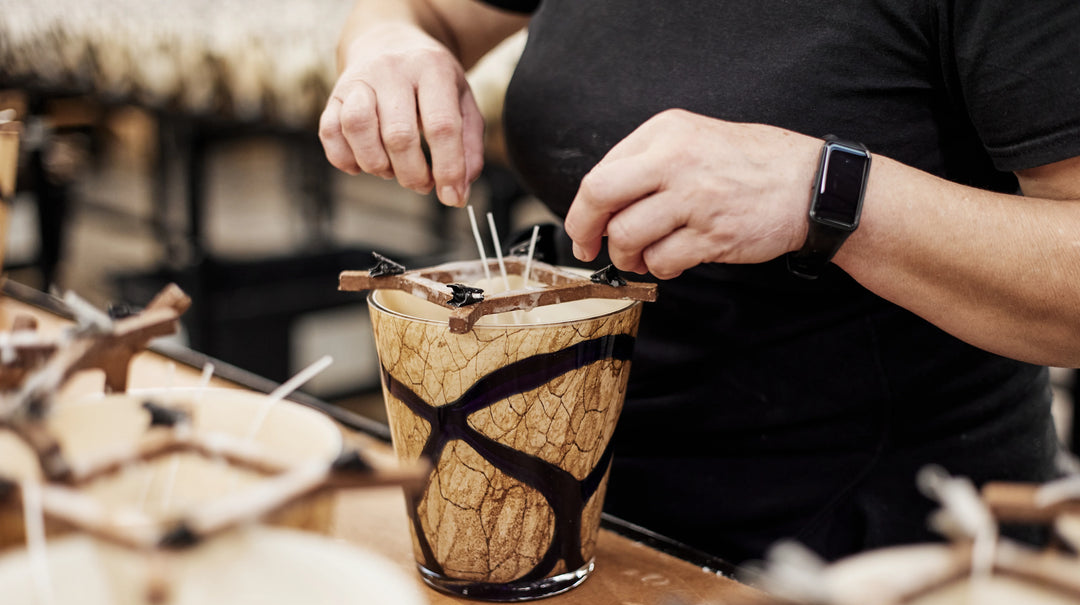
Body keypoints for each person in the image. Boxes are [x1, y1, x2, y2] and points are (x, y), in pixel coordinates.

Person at [319, 0, 1080, 566]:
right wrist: (389, 42)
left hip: (871, 565)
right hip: (577, 516)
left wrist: (825, 194)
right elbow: (422, 11)